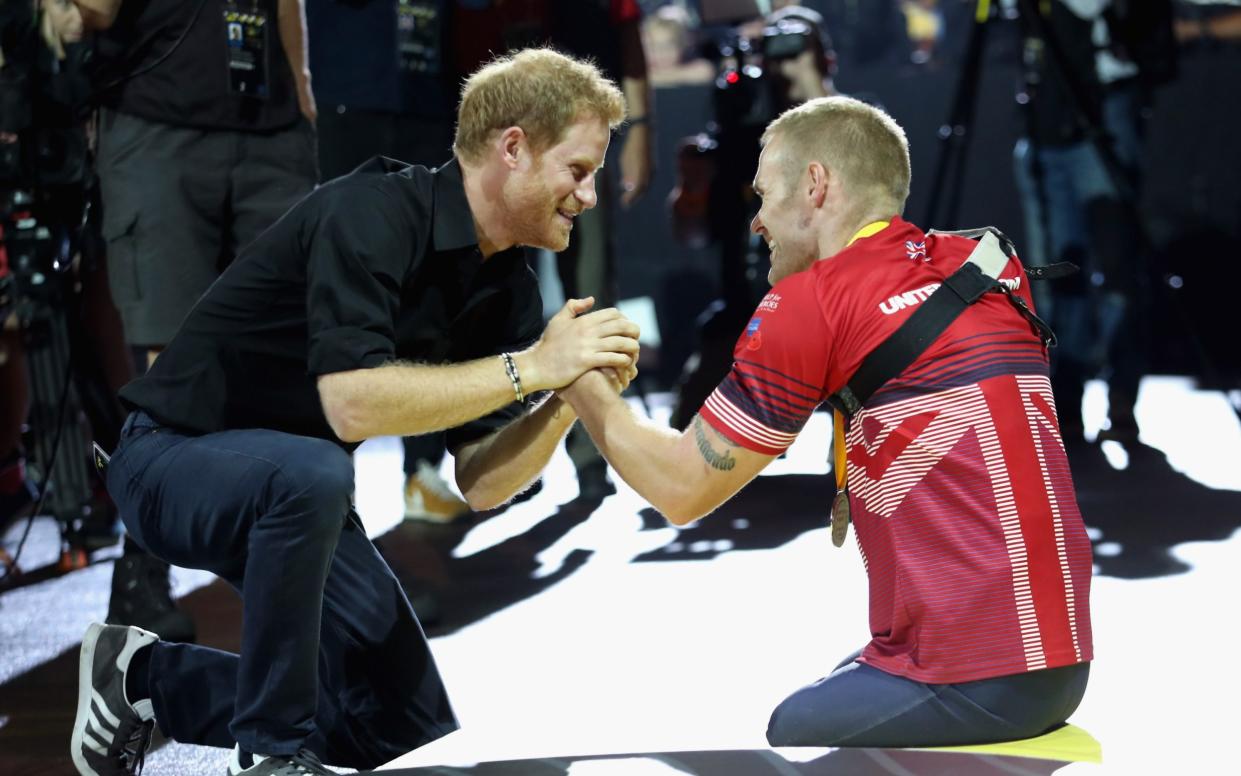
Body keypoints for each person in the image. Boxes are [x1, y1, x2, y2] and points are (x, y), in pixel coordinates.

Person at [70, 48, 637, 776]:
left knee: (407, 732)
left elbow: (484, 484)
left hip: (298, 498)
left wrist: (563, 397)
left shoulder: (506, 289)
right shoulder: (370, 210)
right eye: (579, 170)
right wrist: (532, 367)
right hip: (169, 462)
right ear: (514, 148)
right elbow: (349, 405)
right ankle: (271, 756)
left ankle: (143, 684)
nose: (588, 195)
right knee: (310, 472)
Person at [561, 96, 1094, 747]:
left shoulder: (813, 301)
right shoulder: (990, 266)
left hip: (975, 677)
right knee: (845, 678)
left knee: (792, 730)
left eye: (762, 195)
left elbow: (680, 488)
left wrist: (577, 376)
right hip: (1062, 661)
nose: (756, 221)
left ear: (814, 185)